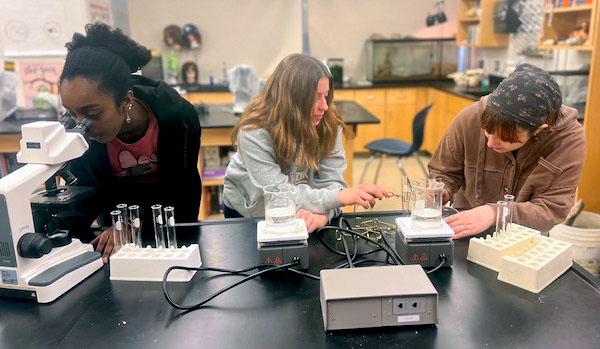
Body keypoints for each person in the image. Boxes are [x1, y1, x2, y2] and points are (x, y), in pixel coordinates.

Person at [51, 23, 201, 262]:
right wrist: (50, 233)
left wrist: (133, 221)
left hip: (172, 231)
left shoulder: (178, 117)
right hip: (119, 235)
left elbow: (182, 191)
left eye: (92, 113)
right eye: (72, 113)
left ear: (125, 101)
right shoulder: (81, 134)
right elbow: (84, 197)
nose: (82, 126)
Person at [223, 53, 391, 233]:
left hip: (306, 211)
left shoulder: (328, 125)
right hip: (250, 214)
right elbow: (279, 193)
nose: (324, 106)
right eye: (316, 97)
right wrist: (339, 198)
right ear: (291, 99)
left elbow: (333, 183)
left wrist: (324, 216)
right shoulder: (254, 131)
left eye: (326, 96)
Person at [428, 63, 585, 239]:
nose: (491, 143)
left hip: (525, 239)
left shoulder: (568, 140)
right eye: (487, 132)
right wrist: (440, 190)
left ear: (538, 130)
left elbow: (551, 209)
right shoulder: (470, 117)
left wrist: (495, 213)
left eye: (506, 138)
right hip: (464, 231)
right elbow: (443, 171)